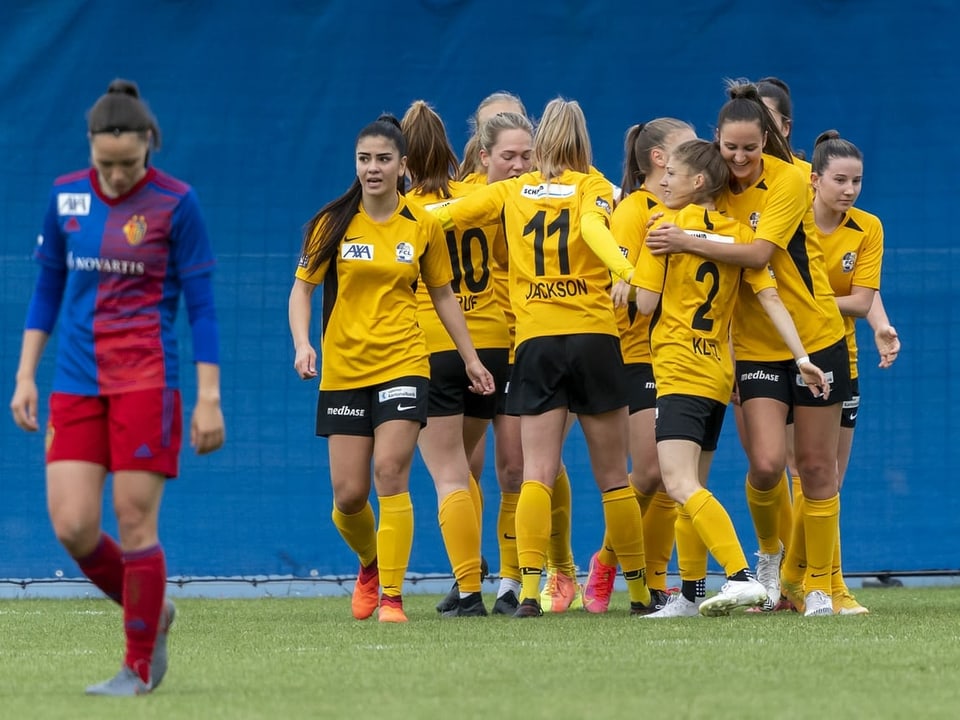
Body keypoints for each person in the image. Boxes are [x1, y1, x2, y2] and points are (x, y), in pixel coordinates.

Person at [8, 79, 224, 695]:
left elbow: (203, 307)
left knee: (134, 523)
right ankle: (152, 607)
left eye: (129, 164)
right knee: (74, 527)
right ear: (89, 148)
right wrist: (26, 373)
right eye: (106, 163)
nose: (118, 176)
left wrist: (209, 397)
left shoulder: (178, 204)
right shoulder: (66, 196)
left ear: (149, 147)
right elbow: (47, 289)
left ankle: (138, 662)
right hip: (75, 383)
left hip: (147, 385)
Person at [431, 97, 659, 618]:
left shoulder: (511, 191)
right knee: (613, 478)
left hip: (536, 343)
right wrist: (625, 270)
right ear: (583, 140)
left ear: (541, 145)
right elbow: (596, 232)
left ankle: (530, 592)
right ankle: (642, 592)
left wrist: (399, 215)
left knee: (536, 472)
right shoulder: (595, 188)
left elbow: (449, 214)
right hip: (596, 340)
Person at [647, 81, 849, 617]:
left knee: (815, 467)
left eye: (750, 148)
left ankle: (818, 586)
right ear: (716, 141)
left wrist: (682, 241)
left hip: (815, 335)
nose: (739, 158)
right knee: (764, 465)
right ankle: (765, 559)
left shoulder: (789, 180)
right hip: (752, 348)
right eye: (730, 147)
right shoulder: (707, 190)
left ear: (769, 140)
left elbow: (758, 254)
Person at [289, 114, 493, 624]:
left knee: (389, 473)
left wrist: (470, 358)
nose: (373, 168)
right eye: (364, 159)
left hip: (405, 362)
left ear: (403, 165)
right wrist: (301, 344)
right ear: (355, 164)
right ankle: (369, 565)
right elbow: (302, 290)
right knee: (349, 495)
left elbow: (444, 295)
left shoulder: (421, 224)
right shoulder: (330, 223)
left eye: (383, 159)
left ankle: (393, 599)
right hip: (344, 370)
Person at [614, 138, 827, 617]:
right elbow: (768, 297)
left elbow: (645, 305)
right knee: (696, 485)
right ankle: (689, 597)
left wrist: (623, 279)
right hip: (716, 371)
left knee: (679, 483)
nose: (662, 183)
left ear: (698, 181)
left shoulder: (662, 227)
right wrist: (802, 357)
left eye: (671, 176)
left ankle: (739, 575)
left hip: (678, 368)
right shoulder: (737, 236)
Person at [779, 130, 900, 615]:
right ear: (814, 180)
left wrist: (880, 324)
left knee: (826, 478)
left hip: (836, 360)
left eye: (857, 181)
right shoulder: (790, 220)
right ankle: (800, 581)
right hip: (777, 357)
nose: (849, 190)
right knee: (789, 471)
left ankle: (821, 584)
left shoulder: (867, 227)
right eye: (840, 180)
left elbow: (863, 299)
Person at [400, 100, 510, 617]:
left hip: (435, 344)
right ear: (452, 151)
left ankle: (469, 589)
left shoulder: (398, 211)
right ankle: (472, 577)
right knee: (465, 470)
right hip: (490, 341)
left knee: (448, 473)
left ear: (402, 158)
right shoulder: (480, 196)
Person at [582, 117, 696, 613]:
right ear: (658, 159)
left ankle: (652, 580)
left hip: (685, 355)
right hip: (638, 354)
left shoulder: (694, 209)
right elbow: (623, 286)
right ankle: (608, 561)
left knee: (674, 477)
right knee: (648, 471)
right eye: (687, 146)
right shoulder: (632, 210)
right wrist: (628, 283)